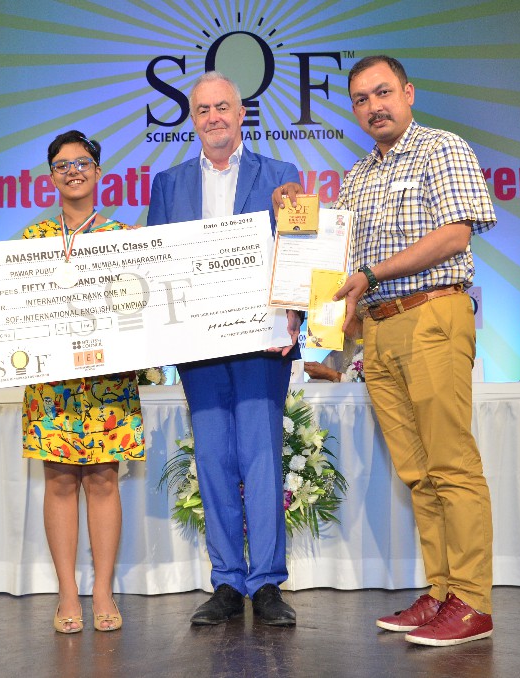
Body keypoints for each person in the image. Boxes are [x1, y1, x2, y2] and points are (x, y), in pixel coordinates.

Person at [275, 55, 496, 646]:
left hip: (431, 314)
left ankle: (473, 601)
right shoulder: (357, 176)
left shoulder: (440, 149)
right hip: (377, 328)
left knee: (451, 464)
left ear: (408, 92)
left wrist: (371, 275)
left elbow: (455, 235)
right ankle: (443, 591)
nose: (374, 106)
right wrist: (298, 216)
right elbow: (342, 268)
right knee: (418, 473)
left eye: (383, 93)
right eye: (361, 99)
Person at [0, 130, 145, 634]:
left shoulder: (123, 237)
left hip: (108, 379)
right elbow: (12, 304)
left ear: (99, 172)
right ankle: (67, 593)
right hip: (52, 382)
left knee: (104, 479)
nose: (74, 171)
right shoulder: (31, 241)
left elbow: (140, 304)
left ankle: (104, 592)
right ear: (51, 177)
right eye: (63, 165)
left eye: (83, 162)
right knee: (60, 480)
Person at [147, 71, 302, 626]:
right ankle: (227, 582)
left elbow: (300, 248)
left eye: (222, 107)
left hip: (262, 342)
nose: (213, 117)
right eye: (202, 110)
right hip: (199, 346)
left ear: (241, 114)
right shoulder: (167, 184)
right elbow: (156, 263)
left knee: (261, 457)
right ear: (193, 120)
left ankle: (267, 583)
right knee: (212, 459)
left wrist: (294, 312)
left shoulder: (281, 175)